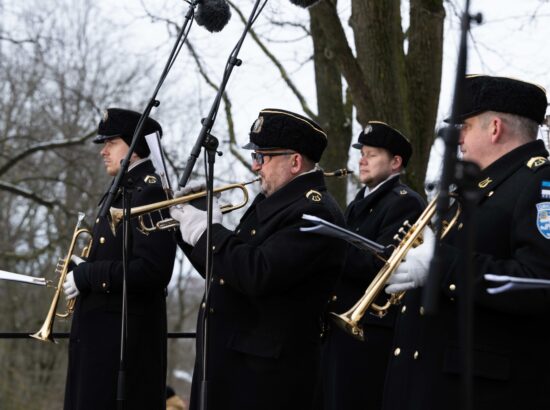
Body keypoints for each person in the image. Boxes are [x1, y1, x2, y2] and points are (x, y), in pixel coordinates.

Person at [383, 75, 550, 409]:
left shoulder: (539, 182)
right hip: (437, 381)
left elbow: (539, 281)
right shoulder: (477, 186)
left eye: (466, 125)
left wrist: (440, 264)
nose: (457, 137)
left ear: (495, 128)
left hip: (485, 391)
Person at [169, 108, 348, 410]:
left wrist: (206, 233)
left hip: (267, 379)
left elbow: (258, 272)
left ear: (295, 161)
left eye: (262, 157)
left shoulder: (314, 212)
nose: (255, 167)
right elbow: (227, 273)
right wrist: (188, 229)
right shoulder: (273, 202)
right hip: (236, 367)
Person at [62, 108, 177, 410]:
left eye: (111, 143)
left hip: (123, 346)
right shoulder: (125, 189)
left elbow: (153, 270)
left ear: (135, 148)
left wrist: (89, 275)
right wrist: (81, 268)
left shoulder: (148, 191)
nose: (103, 151)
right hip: (102, 341)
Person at [320, 122, 425, 410]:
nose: (362, 160)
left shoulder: (404, 203)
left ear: (395, 163)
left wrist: (329, 248)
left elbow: (380, 265)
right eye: (362, 153)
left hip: (372, 331)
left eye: (372, 154)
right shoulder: (358, 203)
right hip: (342, 325)